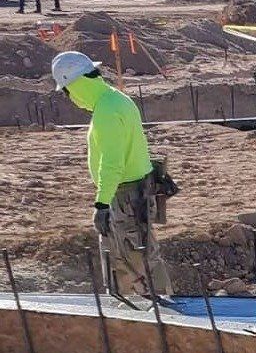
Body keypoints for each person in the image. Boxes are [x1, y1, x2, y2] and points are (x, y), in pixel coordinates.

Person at [51, 50, 172, 302]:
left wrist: (102, 203)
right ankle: (157, 308)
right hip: (137, 190)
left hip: (124, 196)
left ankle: (148, 315)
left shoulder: (107, 111)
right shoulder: (117, 100)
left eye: (67, 91)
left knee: (130, 259)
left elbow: (112, 163)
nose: (69, 98)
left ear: (78, 84)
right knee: (142, 254)